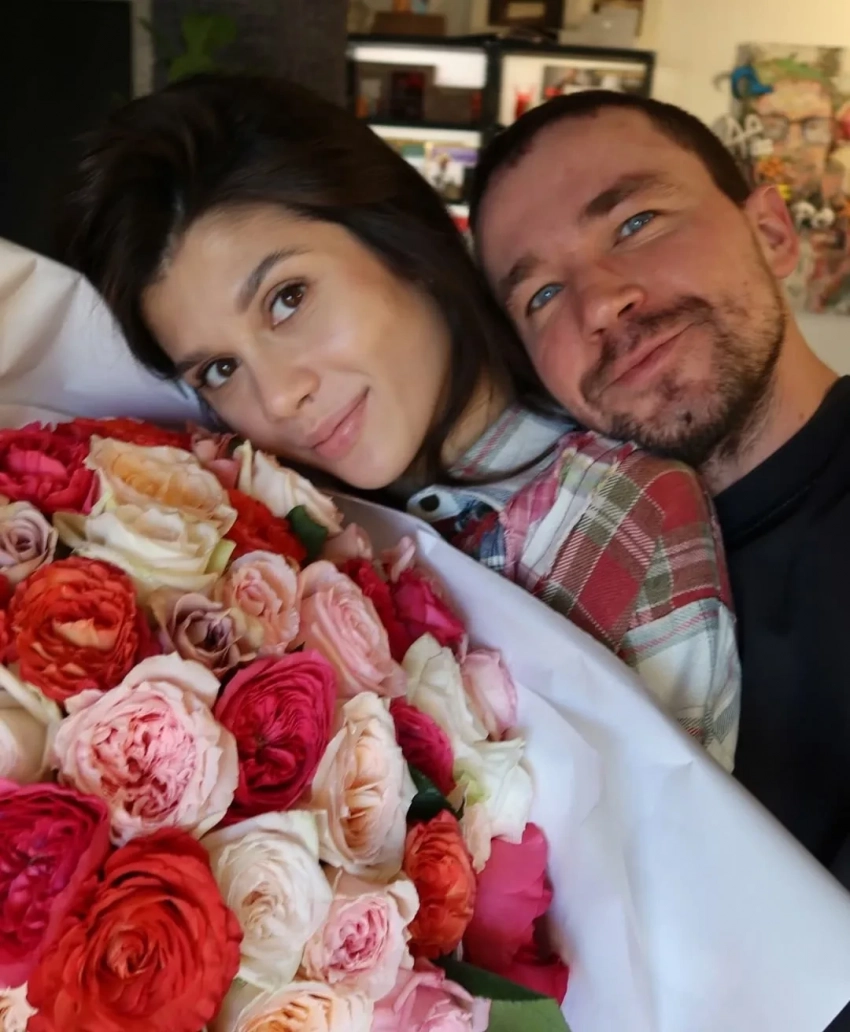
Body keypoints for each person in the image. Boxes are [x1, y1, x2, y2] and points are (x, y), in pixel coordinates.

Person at [55, 73, 739, 771]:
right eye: (221, 369)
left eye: (288, 299)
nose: (279, 397)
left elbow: (681, 827)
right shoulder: (248, 538)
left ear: (399, 239)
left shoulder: (623, 518)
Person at [467, 91, 850, 892]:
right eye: (541, 295)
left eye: (635, 223)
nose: (601, 304)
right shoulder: (533, 578)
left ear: (772, 233)